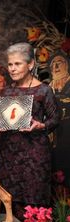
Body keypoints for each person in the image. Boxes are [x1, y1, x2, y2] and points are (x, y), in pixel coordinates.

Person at [0, 42, 60, 221]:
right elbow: (1, 120)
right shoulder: (5, 91)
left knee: (33, 206)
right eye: (10, 64)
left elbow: (55, 119)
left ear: (30, 65)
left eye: (17, 64)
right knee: (9, 204)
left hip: (34, 157)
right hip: (8, 157)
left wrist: (41, 125)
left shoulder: (44, 91)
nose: (12, 69)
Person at [48, 52, 70, 186]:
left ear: (67, 65)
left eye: (59, 62)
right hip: (54, 133)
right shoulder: (47, 88)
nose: (55, 66)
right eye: (53, 64)